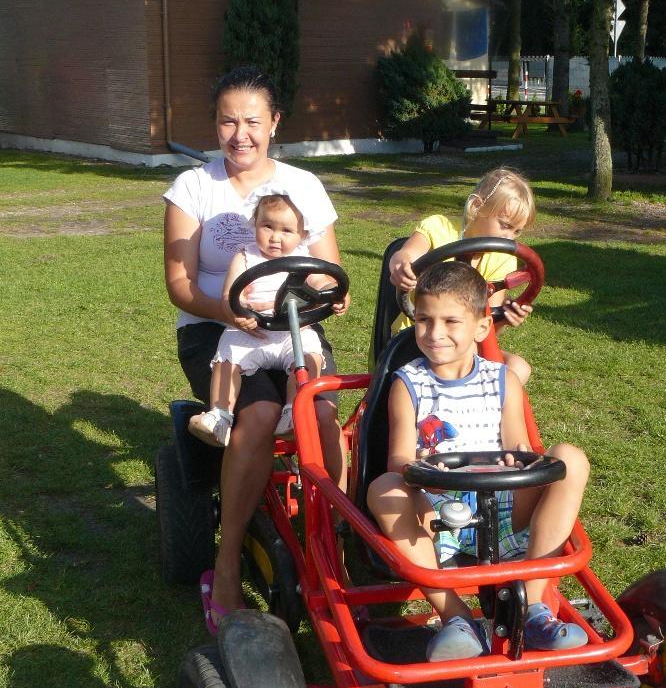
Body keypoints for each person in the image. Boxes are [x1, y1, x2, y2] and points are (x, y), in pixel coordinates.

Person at [163, 66, 349, 634]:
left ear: (274, 123)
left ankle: (335, 546)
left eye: (252, 121)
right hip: (218, 331)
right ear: (215, 125)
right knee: (261, 415)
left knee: (320, 414)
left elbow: (329, 270)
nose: (239, 134)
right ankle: (225, 567)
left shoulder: (304, 186)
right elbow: (180, 284)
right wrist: (230, 312)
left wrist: (330, 295)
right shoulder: (194, 188)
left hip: (293, 328)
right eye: (227, 122)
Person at [366, 260, 590, 662]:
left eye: (450, 321)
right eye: (423, 320)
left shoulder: (503, 380)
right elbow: (398, 461)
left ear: (482, 327)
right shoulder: (409, 384)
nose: (434, 333)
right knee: (385, 488)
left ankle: (533, 607)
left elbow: (519, 446)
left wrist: (517, 461)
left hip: (503, 508)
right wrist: (423, 473)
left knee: (569, 458)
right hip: (439, 515)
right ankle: (454, 616)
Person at [188, 192, 334, 448]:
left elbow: (322, 282)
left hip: (292, 332)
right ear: (254, 224)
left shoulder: (304, 261)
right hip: (252, 332)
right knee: (228, 353)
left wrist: (334, 293)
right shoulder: (245, 256)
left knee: (309, 355)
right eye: (267, 226)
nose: (275, 237)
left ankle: (294, 412)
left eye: (286, 230)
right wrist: (240, 312)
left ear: (302, 234)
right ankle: (221, 415)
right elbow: (230, 294)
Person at [388, 167, 536, 385]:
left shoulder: (502, 259)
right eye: (505, 225)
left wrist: (504, 318)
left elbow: (486, 325)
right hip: (419, 339)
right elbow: (406, 254)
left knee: (519, 368)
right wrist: (401, 266)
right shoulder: (439, 228)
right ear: (476, 206)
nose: (509, 238)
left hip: (464, 345)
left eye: (516, 232)